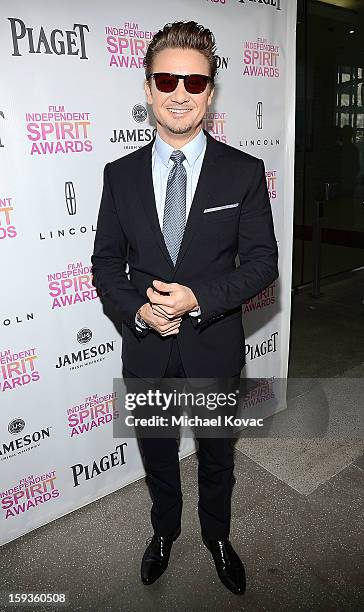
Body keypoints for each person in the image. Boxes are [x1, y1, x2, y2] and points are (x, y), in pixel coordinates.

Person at [91, 20, 278, 596]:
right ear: (148, 88)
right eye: (167, 79)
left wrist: (198, 299)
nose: (180, 91)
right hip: (146, 347)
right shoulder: (118, 176)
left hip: (214, 343)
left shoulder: (242, 172)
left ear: (210, 93)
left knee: (218, 456)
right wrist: (142, 313)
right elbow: (104, 264)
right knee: (157, 452)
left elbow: (262, 264)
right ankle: (165, 531)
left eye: (194, 82)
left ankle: (217, 536)